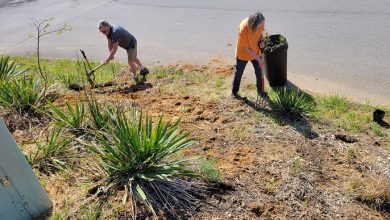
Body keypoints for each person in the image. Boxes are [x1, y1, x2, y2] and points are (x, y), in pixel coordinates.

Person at [232, 12, 266, 98]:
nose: (261, 27)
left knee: (259, 72)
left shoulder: (260, 22)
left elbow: (261, 33)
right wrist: (259, 59)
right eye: (259, 26)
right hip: (243, 53)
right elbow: (247, 49)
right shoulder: (243, 28)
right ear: (253, 26)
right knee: (239, 73)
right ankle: (234, 92)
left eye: (262, 24)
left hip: (256, 50)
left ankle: (260, 91)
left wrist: (262, 38)